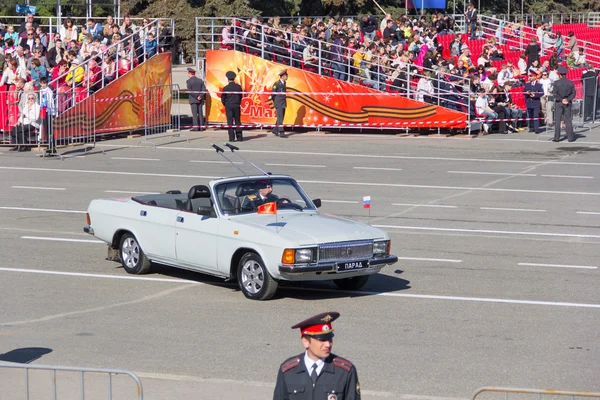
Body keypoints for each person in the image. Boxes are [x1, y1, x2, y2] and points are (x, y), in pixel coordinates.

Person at [273, 312, 361, 400]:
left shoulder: (345, 372)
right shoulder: (288, 371)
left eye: (330, 339)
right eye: (322, 340)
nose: (328, 344)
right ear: (306, 342)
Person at [552, 66, 576, 142]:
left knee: (558, 120)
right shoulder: (570, 83)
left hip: (559, 103)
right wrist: (567, 99)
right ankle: (570, 137)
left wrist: (561, 99)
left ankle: (557, 137)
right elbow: (573, 94)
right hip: (567, 102)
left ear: (560, 74)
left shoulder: (556, 83)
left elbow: (555, 94)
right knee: (568, 120)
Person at [221, 71, 243, 142]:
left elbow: (223, 98)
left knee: (230, 122)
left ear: (228, 79)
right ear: (234, 78)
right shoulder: (238, 87)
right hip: (236, 105)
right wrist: (238, 102)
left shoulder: (226, 88)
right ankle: (239, 137)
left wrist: (225, 104)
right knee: (238, 121)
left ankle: (232, 138)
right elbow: (240, 96)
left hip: (229, 106)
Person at [271, 69, 288, 138]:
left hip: (283, 102)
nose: (287, 77)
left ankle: (275, 129)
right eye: (286, 76)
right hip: (278, 103)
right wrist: (275, 102)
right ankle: (281, 132)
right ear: (283, 76)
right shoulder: (276, 84)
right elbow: (273, 94)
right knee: (280, 118)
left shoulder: (284, 83)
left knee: (281, 117)